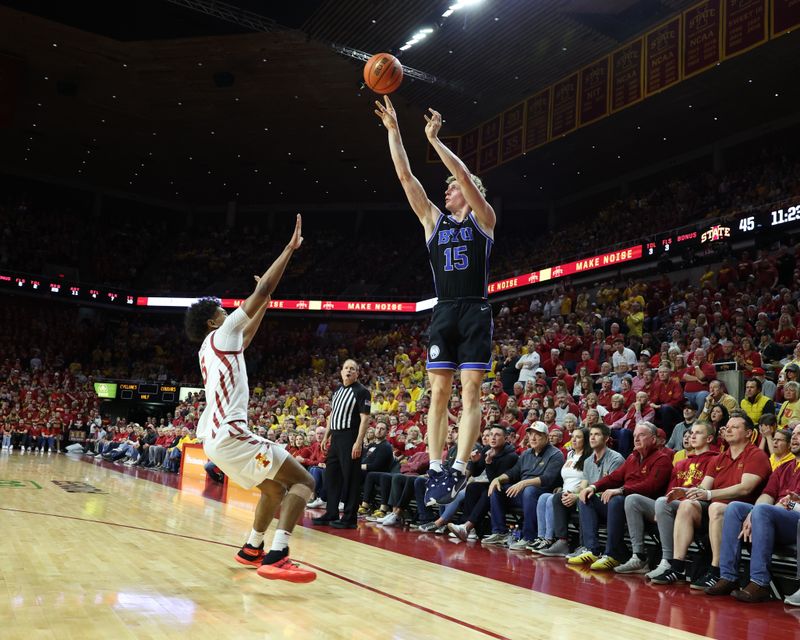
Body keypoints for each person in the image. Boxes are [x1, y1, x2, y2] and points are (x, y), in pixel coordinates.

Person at [375, 95, 496, 505]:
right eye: (444, 189)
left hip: (475, 307)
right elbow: (407, 178)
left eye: (451, 189)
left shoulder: (484, 218)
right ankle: (437, 465)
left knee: (472, 388)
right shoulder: (433, 221)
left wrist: (435, 141)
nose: (445, 193)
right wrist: (396, 134)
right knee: (439, 393)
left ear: (469, 192)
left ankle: (461, 466)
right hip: (444, 310)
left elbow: (461, 174)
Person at [184, 215, 316, 583]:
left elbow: (250, 328)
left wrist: (266, 300)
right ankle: (278, 554)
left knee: (272, 490)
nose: (227, 312)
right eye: (222, 312)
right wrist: (288, 250)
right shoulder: (223, 333)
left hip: (214, 441)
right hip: (230, 434)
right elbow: (260, 293)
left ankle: (251, 548)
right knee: (304, 482)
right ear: (213, 322)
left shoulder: (213, 348)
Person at [649, 411, 771, 590]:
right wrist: (687, 491)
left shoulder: (756, 455)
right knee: (687, 505)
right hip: (715, 510)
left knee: (717, 507)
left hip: (744, 514)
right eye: (727, 427)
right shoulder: (719, 458)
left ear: (748, 433)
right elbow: (704, 488)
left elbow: (745, 488)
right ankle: (678, 566)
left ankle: (717, 569)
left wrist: (709, 495)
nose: (728, 430)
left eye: (735, 427)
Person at [705, 424, 800, 602]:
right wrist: (754, 513)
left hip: (795, 519)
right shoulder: (783, 467)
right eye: (793, 434)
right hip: (774, 516)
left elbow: (777, 506)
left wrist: (758, 513)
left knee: (762, 510)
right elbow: (767, 495)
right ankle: (728, 576)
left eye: (799, 435)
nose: (794, 438)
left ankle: (759, 582)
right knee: (735, 508)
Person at [621, 422, 717, 576]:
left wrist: (663, 504)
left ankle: (667, 561)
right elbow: (670, 492)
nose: (692, 436)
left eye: (698, 433)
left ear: (709, 438)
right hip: (675, 505)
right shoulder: (680, 463)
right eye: (691, 432)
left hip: (698, 507)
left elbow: (704, 491)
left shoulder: (715, 459)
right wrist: (661, 508)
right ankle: (638, 556)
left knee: (661, 502)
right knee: (633, 499)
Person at [573, 423, 672, 570]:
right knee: (587, 498)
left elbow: (651, 486)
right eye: (634, 436)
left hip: (645, 507)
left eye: (642, 435)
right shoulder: (632, 458)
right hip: (624, 505)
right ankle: (592, 549)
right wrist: (592, 487)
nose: (637, 439)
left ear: (653, 439)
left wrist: (621, 490)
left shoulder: (662, 459)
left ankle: (613, 554)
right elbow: (614, 477)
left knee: (617, 499)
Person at [481, 422, 564, 548]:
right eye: (531, 434)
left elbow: (548, 479)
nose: (533, 438)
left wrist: (524, 483)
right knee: (497, 488)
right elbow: (513, 472)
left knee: (529, 490)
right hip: (524, 492)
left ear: (546, 437)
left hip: (542, 493)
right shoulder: (526, 454)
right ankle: (499, 532)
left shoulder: (555, 454)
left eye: (538, 435)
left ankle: (529, 537)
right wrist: (497, 479)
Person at [312, 359, 372, 529]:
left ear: (357, 373)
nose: (348, 371)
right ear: (341, 372)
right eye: (346, 368)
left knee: (351, 478)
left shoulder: (362, 392)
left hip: (350, 437)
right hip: (336, 438)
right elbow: (333, 415)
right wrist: (326, 436)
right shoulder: (338, 391)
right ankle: (331, 512)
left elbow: (365, 418)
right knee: (332, 476)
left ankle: (350, 518)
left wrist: (358, 442)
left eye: (352, 369)